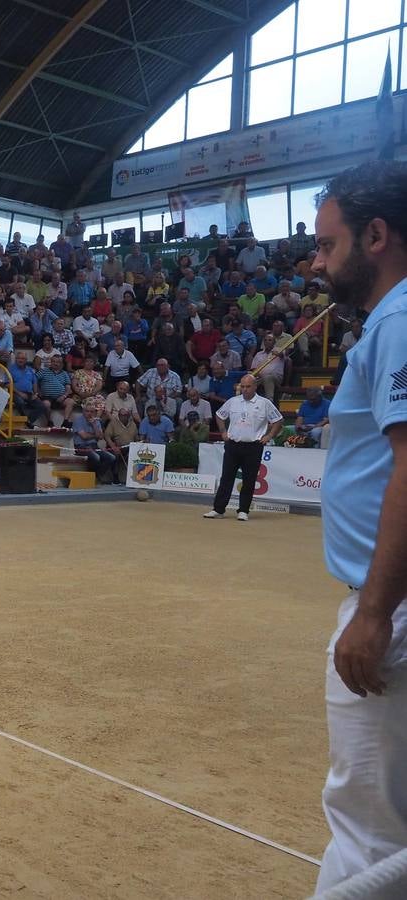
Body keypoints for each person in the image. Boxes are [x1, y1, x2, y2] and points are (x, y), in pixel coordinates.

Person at [300, 162, 407, 894]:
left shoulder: (399, 319)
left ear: (376, 236)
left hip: (393, 603)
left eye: (327, 244)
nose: (317, 261)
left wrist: (373, 611)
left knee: (369, 837)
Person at [203, 375, 283, 521]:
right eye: (243, 386)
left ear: (255, 387)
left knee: (249, 479)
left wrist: (269, 436)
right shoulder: (233, 401)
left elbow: (278, 420)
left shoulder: (264, 403)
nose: (245, 390)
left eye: (248, 387)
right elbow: (220, 415)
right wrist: (223, 431)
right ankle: (218, 509)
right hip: (233, 444)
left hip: (253, 446)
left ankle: (243, 510)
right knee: (226, 477)